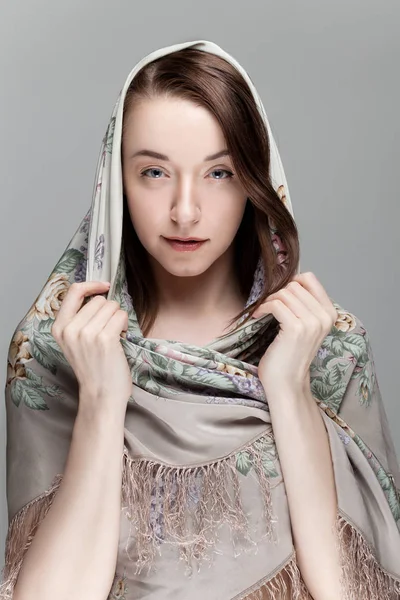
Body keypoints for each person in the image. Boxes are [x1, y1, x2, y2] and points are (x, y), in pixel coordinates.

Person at [1, 39, 400, 600]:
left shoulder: (329, 348)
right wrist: (100, 402)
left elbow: (353, 592)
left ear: (256, 181)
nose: (185, 211)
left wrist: (289, 393)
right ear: (115, 183)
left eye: (220, 174)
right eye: (154, 173)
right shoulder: (55, 350)